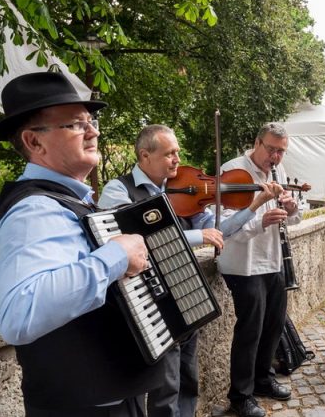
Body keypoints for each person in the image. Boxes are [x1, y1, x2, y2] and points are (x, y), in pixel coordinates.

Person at [0, 72, 162, 416]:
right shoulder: (34, 209)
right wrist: (116, 256)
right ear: (34, 142)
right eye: (76, 124)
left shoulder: (66, 201)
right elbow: (18, 316)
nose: (93, 131)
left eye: (91, 121)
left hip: (106, 395)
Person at [97, 124, 280, 417]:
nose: (177, 160)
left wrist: (254, 205)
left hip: (185, 289)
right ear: (145, 155)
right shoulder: (118, 190)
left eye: (177, 153)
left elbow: (219, 231)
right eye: (169, 154)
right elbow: (132, 240)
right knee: (163, 384)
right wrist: (198, 237)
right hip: (147, 299)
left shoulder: (185, 192)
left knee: (186, 377)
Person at [217, 122, 301, 417]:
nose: (276, 156)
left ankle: (263, 380)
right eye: (271, 149)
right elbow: (224, 227)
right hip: (242, 264)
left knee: (273, 325)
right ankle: (240, 396)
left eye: (281, 151)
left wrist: (291, 209)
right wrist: (259, 220)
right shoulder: (233, 171)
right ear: (257, 142)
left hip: (272, 260)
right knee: (250, 329)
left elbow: (295, 219)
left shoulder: (278, 172)